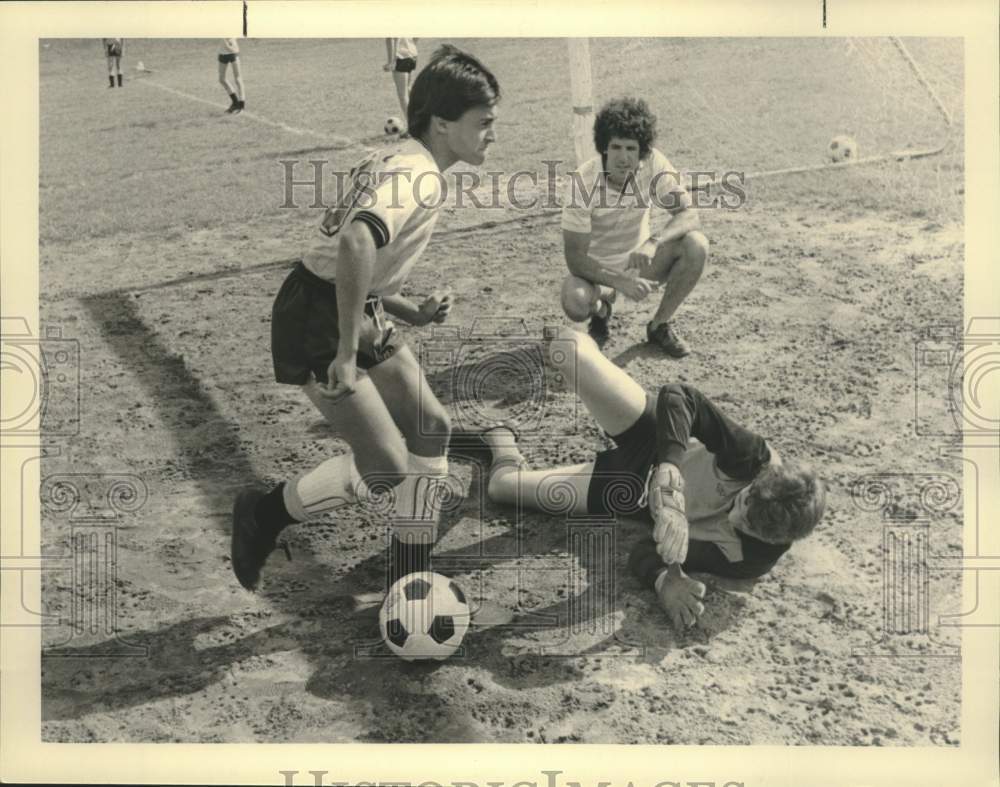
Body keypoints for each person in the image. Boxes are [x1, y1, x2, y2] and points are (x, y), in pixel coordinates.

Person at [230, 45, 500, 592]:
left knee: (432, 429)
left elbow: (364, 263)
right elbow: (355, 240)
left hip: (353, 305)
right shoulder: (417, 174)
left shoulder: (409, 160)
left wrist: (412, 310)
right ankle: (263, 514)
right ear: (443, 124)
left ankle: (409, 567)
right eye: (484, 121)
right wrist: (347, 353)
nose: (492, 132)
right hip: (318, 315)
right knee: (386, 469)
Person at [476, 326, 826, 630]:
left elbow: (648, 551)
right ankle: (593, 336)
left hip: (628, 491)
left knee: (501, 487)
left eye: (745, 524)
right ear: (758, 481)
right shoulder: (752, 459)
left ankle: (501, 440)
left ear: (770, 539)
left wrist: (664, 581)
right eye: (743, 501)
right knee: (566, 349)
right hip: (654, 435)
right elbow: (680, 395)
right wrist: (670, 466)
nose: (735, 515)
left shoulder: (750, 558)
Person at [560, 97, 709, 356]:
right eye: (616, 147)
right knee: (574, 301)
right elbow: (575, 259)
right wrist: (618, 283)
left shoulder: (653, 163)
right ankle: (602, 310)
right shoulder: (582, 183)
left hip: (639, 262)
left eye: (631, 148)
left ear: (642, 151)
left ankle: (660, 325)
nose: (623, 158)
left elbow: (689, 214)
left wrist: (654, 242)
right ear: (604, 147)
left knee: (696, 244)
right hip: (598, 272)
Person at [383, 38, 419, 121]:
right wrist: (412, 45)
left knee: (403, 96)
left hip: (400, 57)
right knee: (408, 89)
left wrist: (391, 61)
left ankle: (413, 127)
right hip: (412, 55)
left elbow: (390, 38)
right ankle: (418, 119)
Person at [218, 38, 245, 114]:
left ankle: (241, 106)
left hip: (233, 53)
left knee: (238, 79)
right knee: (222, 79)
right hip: (223, 53)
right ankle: (235, 103)